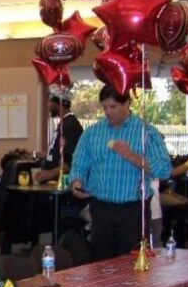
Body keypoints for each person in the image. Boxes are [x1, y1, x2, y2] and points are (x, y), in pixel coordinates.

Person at [69, 85, 171, 261]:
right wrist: (76, 182)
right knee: (101, 263)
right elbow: (79, 165)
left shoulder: (146, 132)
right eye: (104, 107)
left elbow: (164, 170)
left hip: (133, 211)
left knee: (131, 265)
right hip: (101, 209)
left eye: (113, 107)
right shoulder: (92, 133)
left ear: (127, 104)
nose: (108, 112)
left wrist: (131, 156)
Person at [33, 85, 83, 184]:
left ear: (58, 103)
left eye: (49, 101)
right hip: (52, 182)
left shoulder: (70, 125)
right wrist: (33, 154)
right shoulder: (63, 123)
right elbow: (56, 154)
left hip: (62, 185)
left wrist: (50, 173)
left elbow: (71, 161)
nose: (47, 105)